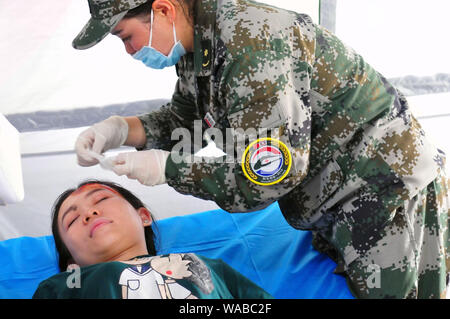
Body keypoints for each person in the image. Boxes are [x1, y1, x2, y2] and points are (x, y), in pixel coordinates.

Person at [73, 0, 450, 298]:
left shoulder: (251, 45)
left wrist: (166, 169)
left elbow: (267, 176)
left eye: (126, 37)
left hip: (382, 188)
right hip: (338, 196)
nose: (130, 50)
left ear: (163, 10)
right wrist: (120, 130)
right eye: (71, 219)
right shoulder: (197, 43)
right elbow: (187, 119)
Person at [32, 180, 273, 299]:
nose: (89, 213)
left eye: (101, 200)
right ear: (70, 257)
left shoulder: (206, 266)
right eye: (72, 220)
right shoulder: (65, 285)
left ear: (143, 216)